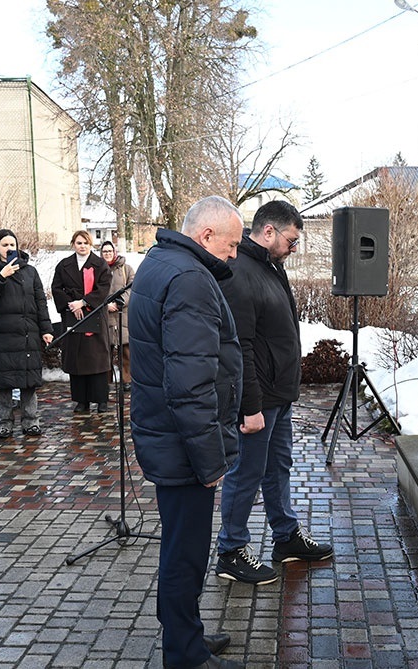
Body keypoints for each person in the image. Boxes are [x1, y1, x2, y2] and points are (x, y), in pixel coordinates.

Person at [129, 196, 245, 669]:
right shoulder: (191, 279)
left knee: (180, 546)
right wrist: (210, 462)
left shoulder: (160, 261)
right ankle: (185, 655)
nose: (236, 254)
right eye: (233, 244)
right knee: (187, 555)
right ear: (206, 236)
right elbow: (191, 382)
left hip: (164, 434)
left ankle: (186, 632)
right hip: (183, 444)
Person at [214, 201, 333, 586]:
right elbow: (240, 346)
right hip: (258, 400)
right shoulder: (240, 271)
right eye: (291, 240)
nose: (294, 248)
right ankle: (231, 551)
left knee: (278, 468)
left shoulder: (269, 267)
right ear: (268, 232)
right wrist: (251, 407)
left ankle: (286, 537)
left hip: (279, 396)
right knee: (245, 473)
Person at [0, 229, 54, 439]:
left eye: (12, 245)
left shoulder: (29, 271)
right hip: (0, 335)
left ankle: (31, 421)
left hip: (26, 334)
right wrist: (2, 276)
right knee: (3, 382)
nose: (9, 249)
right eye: (4, 245)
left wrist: (46, 329)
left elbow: (40, 302)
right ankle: (4, 422)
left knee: (28, 380)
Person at [51, 230, 112, 413]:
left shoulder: (99, 264)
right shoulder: (64, 265)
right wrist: (72, 305)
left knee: (97, 360)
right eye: (79, 243)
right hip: (73, 316)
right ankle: (81, 400)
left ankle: (101, 399)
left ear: (90, 244)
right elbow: (56, 288)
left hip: (94, 316)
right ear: (73, 244)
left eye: (85, 243)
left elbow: (103, 288)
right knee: (77, 360)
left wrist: (84, 302)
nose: (82, 246)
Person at [100, 240, 135, 391]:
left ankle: (127, 380)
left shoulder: (126, 269)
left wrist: (120, 302)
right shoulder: (97, 270)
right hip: (105, 314)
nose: (107, 254)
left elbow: (132, 288)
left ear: (115, 252)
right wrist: (105, 305)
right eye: (104, 251)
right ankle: (105, 382)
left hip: (123, 314)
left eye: (109, 251)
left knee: (126, 352)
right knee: (105, 352)